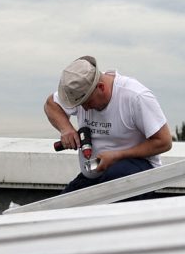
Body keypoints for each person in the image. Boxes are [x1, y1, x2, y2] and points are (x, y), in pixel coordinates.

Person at [42, 55, 174, 192]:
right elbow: (51, 104)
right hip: (96, 175)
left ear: (101, 87)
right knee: (62, 206)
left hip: (137, 173)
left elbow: (164, 141)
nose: (85, 109)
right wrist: (66, 129)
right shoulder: (81, 91)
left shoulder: (135, 97)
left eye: (88, 102)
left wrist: (117, 155)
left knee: (115, 177)